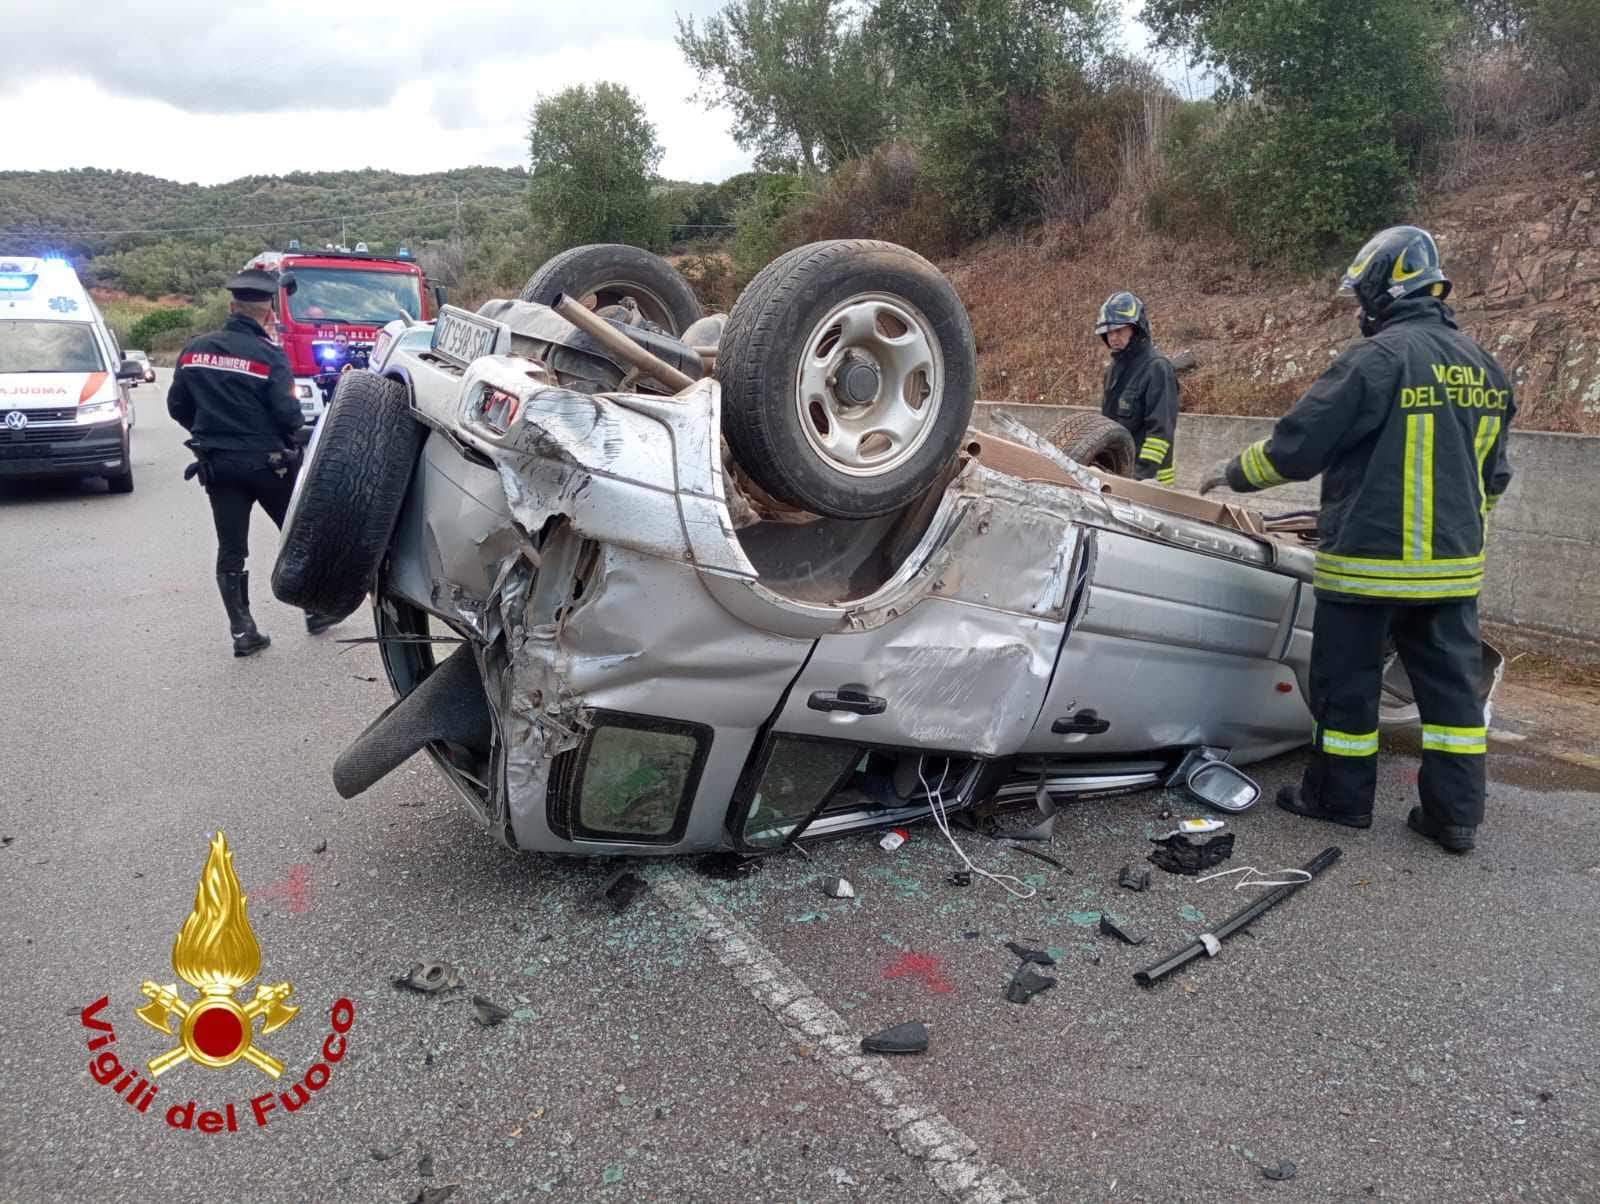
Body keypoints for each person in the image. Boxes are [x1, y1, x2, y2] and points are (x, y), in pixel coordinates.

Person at [1198, 226, 1514, 853]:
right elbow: (1494, 477)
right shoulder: (1485, 368)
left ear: (1382, 290)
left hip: (1369, 566)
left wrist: (1233, 474)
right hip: (1451, 574)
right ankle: (1454, 819)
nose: (1359, 309)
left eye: (1361, 296)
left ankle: (1339, 801)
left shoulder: (1377, 359)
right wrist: (1457, 540)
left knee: (1348, 689)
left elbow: (1299, 445)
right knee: (1452, 701)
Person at [167, 268, 340, 656]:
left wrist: (210, 433)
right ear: (269, 314)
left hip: (219, 465)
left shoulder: (194, 350)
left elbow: (177, 406)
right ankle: (315, 610)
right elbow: (288, 416)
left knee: (231, 547)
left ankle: (243, 630)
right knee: (295, 535)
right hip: (269, 466)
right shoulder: (269, 356)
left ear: (232, 307)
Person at [1095, 291, 1178, 484]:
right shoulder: (1112, 371)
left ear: (1136, 329)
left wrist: (1139, 477)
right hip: (1118, 474)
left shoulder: (1157, 368)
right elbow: (1109, 426)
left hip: (1150, 481)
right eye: (1108, 332)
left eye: (1119, 330)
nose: (1113, 337)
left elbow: (1160, 433)